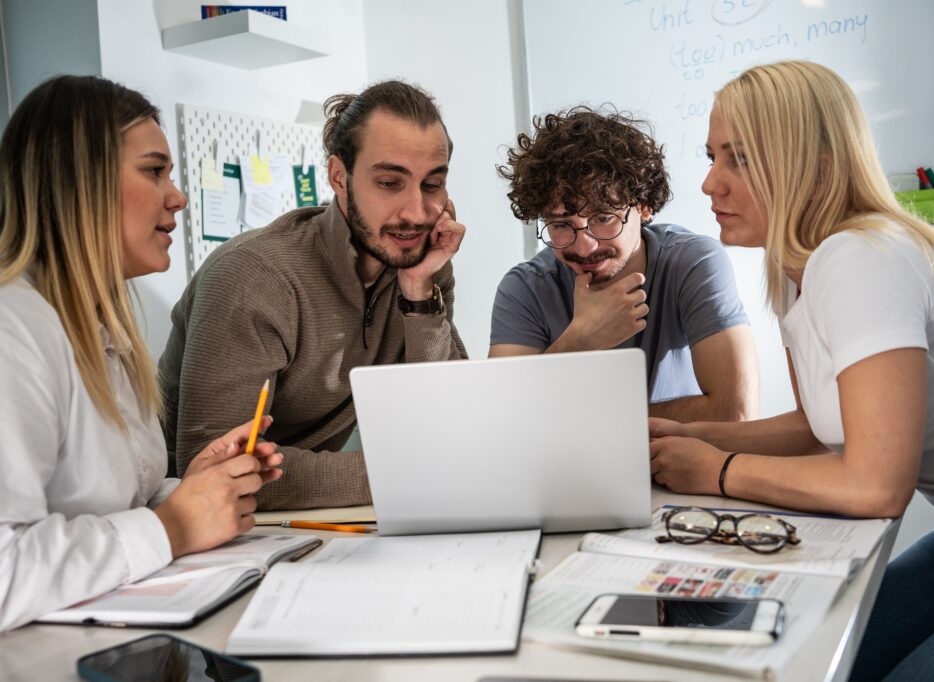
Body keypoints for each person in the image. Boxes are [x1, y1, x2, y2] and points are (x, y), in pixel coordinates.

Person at [648, 60, 934, 681]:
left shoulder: (860, 257)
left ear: (812, 168)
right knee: (817, 658)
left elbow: (876, 485)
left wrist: (718, 471)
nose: (711, 182)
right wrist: (690, 437)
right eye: (712, 155)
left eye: (738, 159)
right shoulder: (797, 270)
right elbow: (820, 427)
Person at [0, 75, 283, 632]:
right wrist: (172, 526)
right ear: (80, 182)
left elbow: (106, 505)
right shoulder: (13, 331)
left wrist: (195, 488)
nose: (176, 197)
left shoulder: (105, 329)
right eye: (154, 171)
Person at [159, 80, 468, 510]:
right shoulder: (254, 276)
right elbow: (213, 462)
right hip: (200, 532)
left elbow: (448, 425)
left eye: (432, 185)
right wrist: (400, 474)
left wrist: (419, 294)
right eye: (389, 183)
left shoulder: (419, 264)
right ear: (339, 178)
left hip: (309, 520)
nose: (416, 212)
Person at [491, 107, 758, 422]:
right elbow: (503, 423)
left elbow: (736, 412)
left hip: (680, 469)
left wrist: (586, 420)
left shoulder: (693, 263)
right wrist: (579, 341)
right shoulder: (525, 288)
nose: (584, 246)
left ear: (644, 207)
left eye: (604, 218)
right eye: (561, 225)